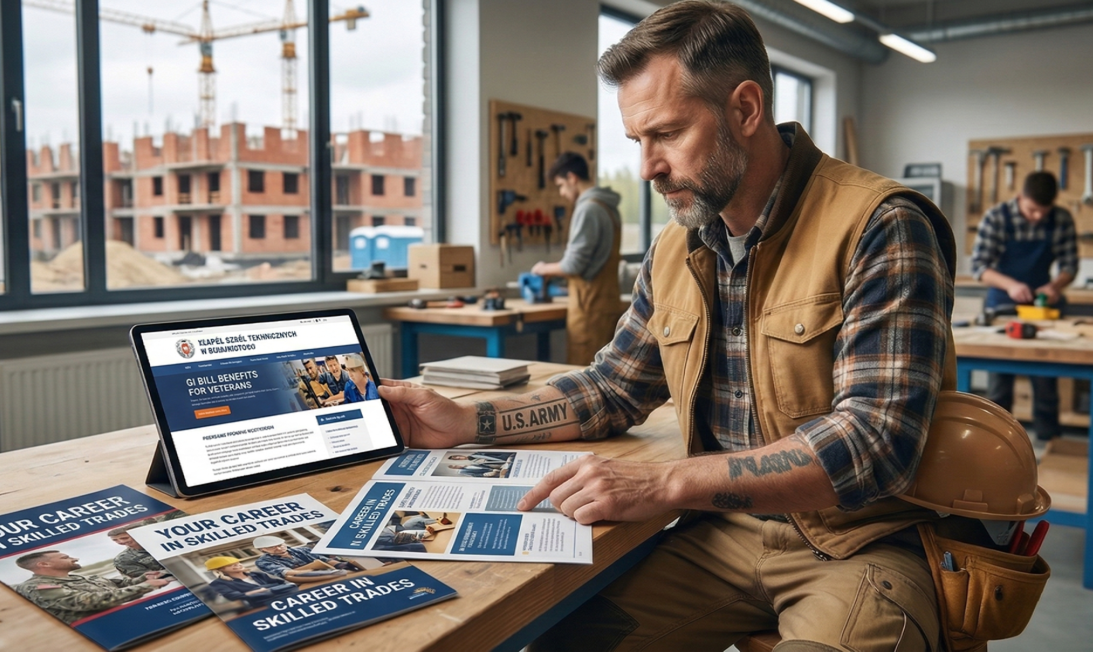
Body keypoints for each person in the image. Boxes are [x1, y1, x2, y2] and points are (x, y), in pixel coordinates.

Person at [376, 3, 962, 649]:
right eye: (637, 142)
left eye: (669, 134)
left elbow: (874, 441)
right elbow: (615, 387)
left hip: (861, 543)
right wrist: (470, 422)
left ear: (745, 109)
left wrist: (664, 483)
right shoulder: (675, 248)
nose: (648, 166)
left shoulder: (880, 224)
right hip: (722, 531)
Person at [972, 170, 1078, 442]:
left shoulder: (1061, 219)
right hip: (1003, 309)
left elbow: (1070, 266)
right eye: (1032, 210)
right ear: (1020, 198)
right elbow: (979, 267)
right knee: (999, 388)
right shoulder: (997, 218)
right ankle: (996, 447)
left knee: (1045, 386)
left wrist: (1054, 287)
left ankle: (1049, 441)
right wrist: (1010, 285)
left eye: (1044, 211)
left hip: (1043, 311)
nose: (1037, 217)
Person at [530, 152, 626, 365]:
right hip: (608, 307)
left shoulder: (588, 209)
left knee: (584, 379)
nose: (562, 193)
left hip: (588, 310)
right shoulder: (608, 207)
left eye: (561, 185)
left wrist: (543, 268)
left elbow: (574, 264)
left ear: (573, 178)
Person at [12, 550, 170, 624]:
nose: (75, 558)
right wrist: (146, 586)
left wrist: (144, 578)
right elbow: (90, 601)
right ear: (44, 564)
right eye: (66, 557)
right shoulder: (38, 587)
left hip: (124, 618)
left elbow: (119, 585)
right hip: (104, 628)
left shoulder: (81, 577)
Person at [251, 535, 361, 581]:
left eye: (280, 545)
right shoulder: (262, 561)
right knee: (295, 574)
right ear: (263, 550)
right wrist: (308, 570)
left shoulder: (302, 550)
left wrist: (341, 564)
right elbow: (283, 572)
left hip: (322, 569)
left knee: (344, 564)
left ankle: (341, 569)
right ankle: (335, 572)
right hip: (296, 576)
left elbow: (323, 559)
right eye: (272, 548)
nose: (279, 549)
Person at [203, 557, 299, 609]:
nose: (237, 566)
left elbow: (281, 583)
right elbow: (234, 596)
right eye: (231, 566)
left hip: (288, 596)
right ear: (220, 570)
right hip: (262, 605)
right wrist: (260, 591)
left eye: (237, 563)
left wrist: (259, 590)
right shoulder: (218, 583)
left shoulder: (256, 574)